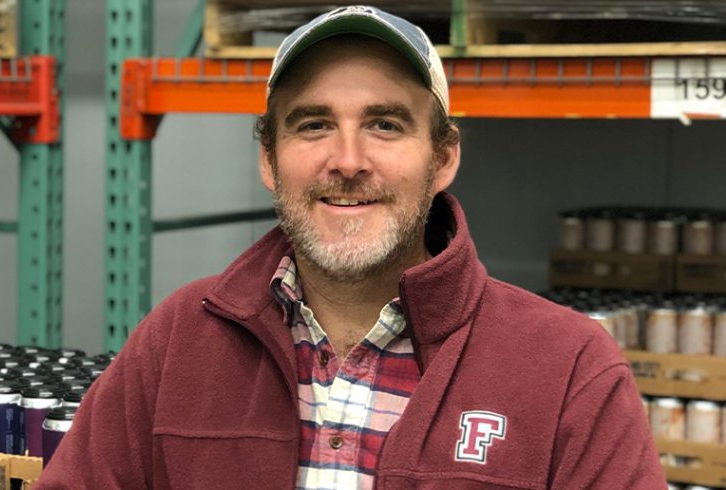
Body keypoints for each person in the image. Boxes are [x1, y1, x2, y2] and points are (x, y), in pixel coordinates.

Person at [35, 5, 663, 489]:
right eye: (313, 125)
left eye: (385, 125)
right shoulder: (177, 342)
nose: (347, 161)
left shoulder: (570, 369)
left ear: (443, 157)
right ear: (268, 160)